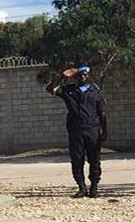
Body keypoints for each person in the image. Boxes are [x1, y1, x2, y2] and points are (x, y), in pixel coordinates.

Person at [46, 65, 108, 198]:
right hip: (76, 131)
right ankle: (81, 188)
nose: (82, 77)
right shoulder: (69, 91)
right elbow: (50, 89)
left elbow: (102, 114)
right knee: (77, 160)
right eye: (79, 75)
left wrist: (104, 132)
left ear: (89, 77)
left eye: (85, 75)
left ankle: (94, 188)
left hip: (92, 131)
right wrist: (61, 77)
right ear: (75, 77)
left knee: (94, 160)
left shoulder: (97, 94)